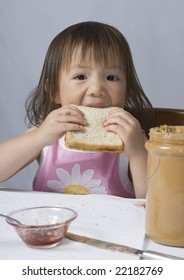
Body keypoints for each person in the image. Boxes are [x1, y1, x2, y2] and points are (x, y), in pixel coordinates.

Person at [0, 21, 154, 198]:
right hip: (53, 225)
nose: (97, 89)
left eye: (111, 77)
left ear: (126, 91)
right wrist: (39, 137)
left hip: (110, 226)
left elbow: (154, 204)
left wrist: (137, 154)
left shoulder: (132, 138)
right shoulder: (46, 136)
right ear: (54, 91)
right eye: (80, 76)